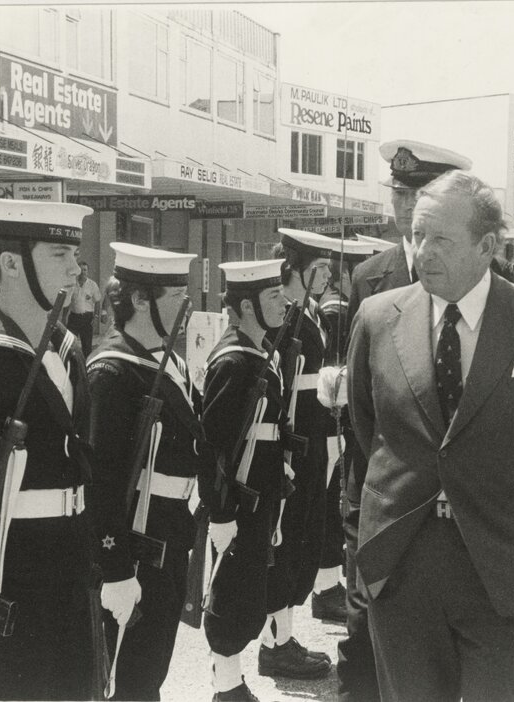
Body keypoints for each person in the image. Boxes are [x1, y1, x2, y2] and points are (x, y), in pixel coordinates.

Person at [346, 171, 514, 702]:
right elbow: (368, 430)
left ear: (486, 247)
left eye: (440, 238)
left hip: (504, 566)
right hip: (403, 568)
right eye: (417, 235)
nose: (421, 251)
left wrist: (513, 501)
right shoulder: (376, 317)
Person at [0, 197, 130, 700]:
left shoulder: (66, 351)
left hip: (72, 574)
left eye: (73, 255)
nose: (77, 269)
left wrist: (111, 566)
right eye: (59, 254)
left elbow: (86, 470)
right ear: (10, 264)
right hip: (12, 584)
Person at [339, 140, 471, 702]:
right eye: (399, 192)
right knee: (365, 643)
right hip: (384, 499)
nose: (405, 204)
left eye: (418, 193)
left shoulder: (485, 275)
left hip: (461, 515)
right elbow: (358, 411)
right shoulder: (369, 278)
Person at [85, 242, 202, 700]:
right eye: (176, 298)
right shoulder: (112, 372)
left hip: (168, 536)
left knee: (148, 670)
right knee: (124, 679)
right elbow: (101, 483)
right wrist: (114, 569)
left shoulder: (165, 361)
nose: (187, 308)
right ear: (139, 301)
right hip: (135, 548)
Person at [202, 259, 289, 702]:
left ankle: (232, 683)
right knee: (231, 592)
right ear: (248, 306)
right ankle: (226, 687)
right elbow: (215, 442)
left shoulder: (260, 353)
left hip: (261, 494)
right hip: (238, 500)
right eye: (274, 296)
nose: (284, 302)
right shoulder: (234, 360)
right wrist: (220, 512)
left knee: (249, 587)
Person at [259, 229, 336, 680]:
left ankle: (284, 636)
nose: (327, 276)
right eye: (319, 269)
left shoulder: (306, 312)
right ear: (296, 270)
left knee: (303, 537)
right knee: (284, 540)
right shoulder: (285, 317)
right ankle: (274, 645)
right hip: (295, 443)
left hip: (314, 437)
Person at [311, 237, 375, 625]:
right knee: (331, 508)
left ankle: (329, 584)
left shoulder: (340, 308)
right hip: (332, 420)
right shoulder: (336, 311)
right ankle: (326, 587)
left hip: (341, 420)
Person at [67, 260, 102, 355]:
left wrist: (96, 317)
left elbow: (98, 301)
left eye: (85, 270)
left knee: (87, 347)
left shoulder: (92, 285)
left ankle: (86, 367)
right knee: (69, 345)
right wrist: (63, 318)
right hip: (73, 319)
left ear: (88, 271)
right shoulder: (72, 284)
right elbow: (67, 302)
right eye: (81, 270)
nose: (83, 272)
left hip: (87, 319)